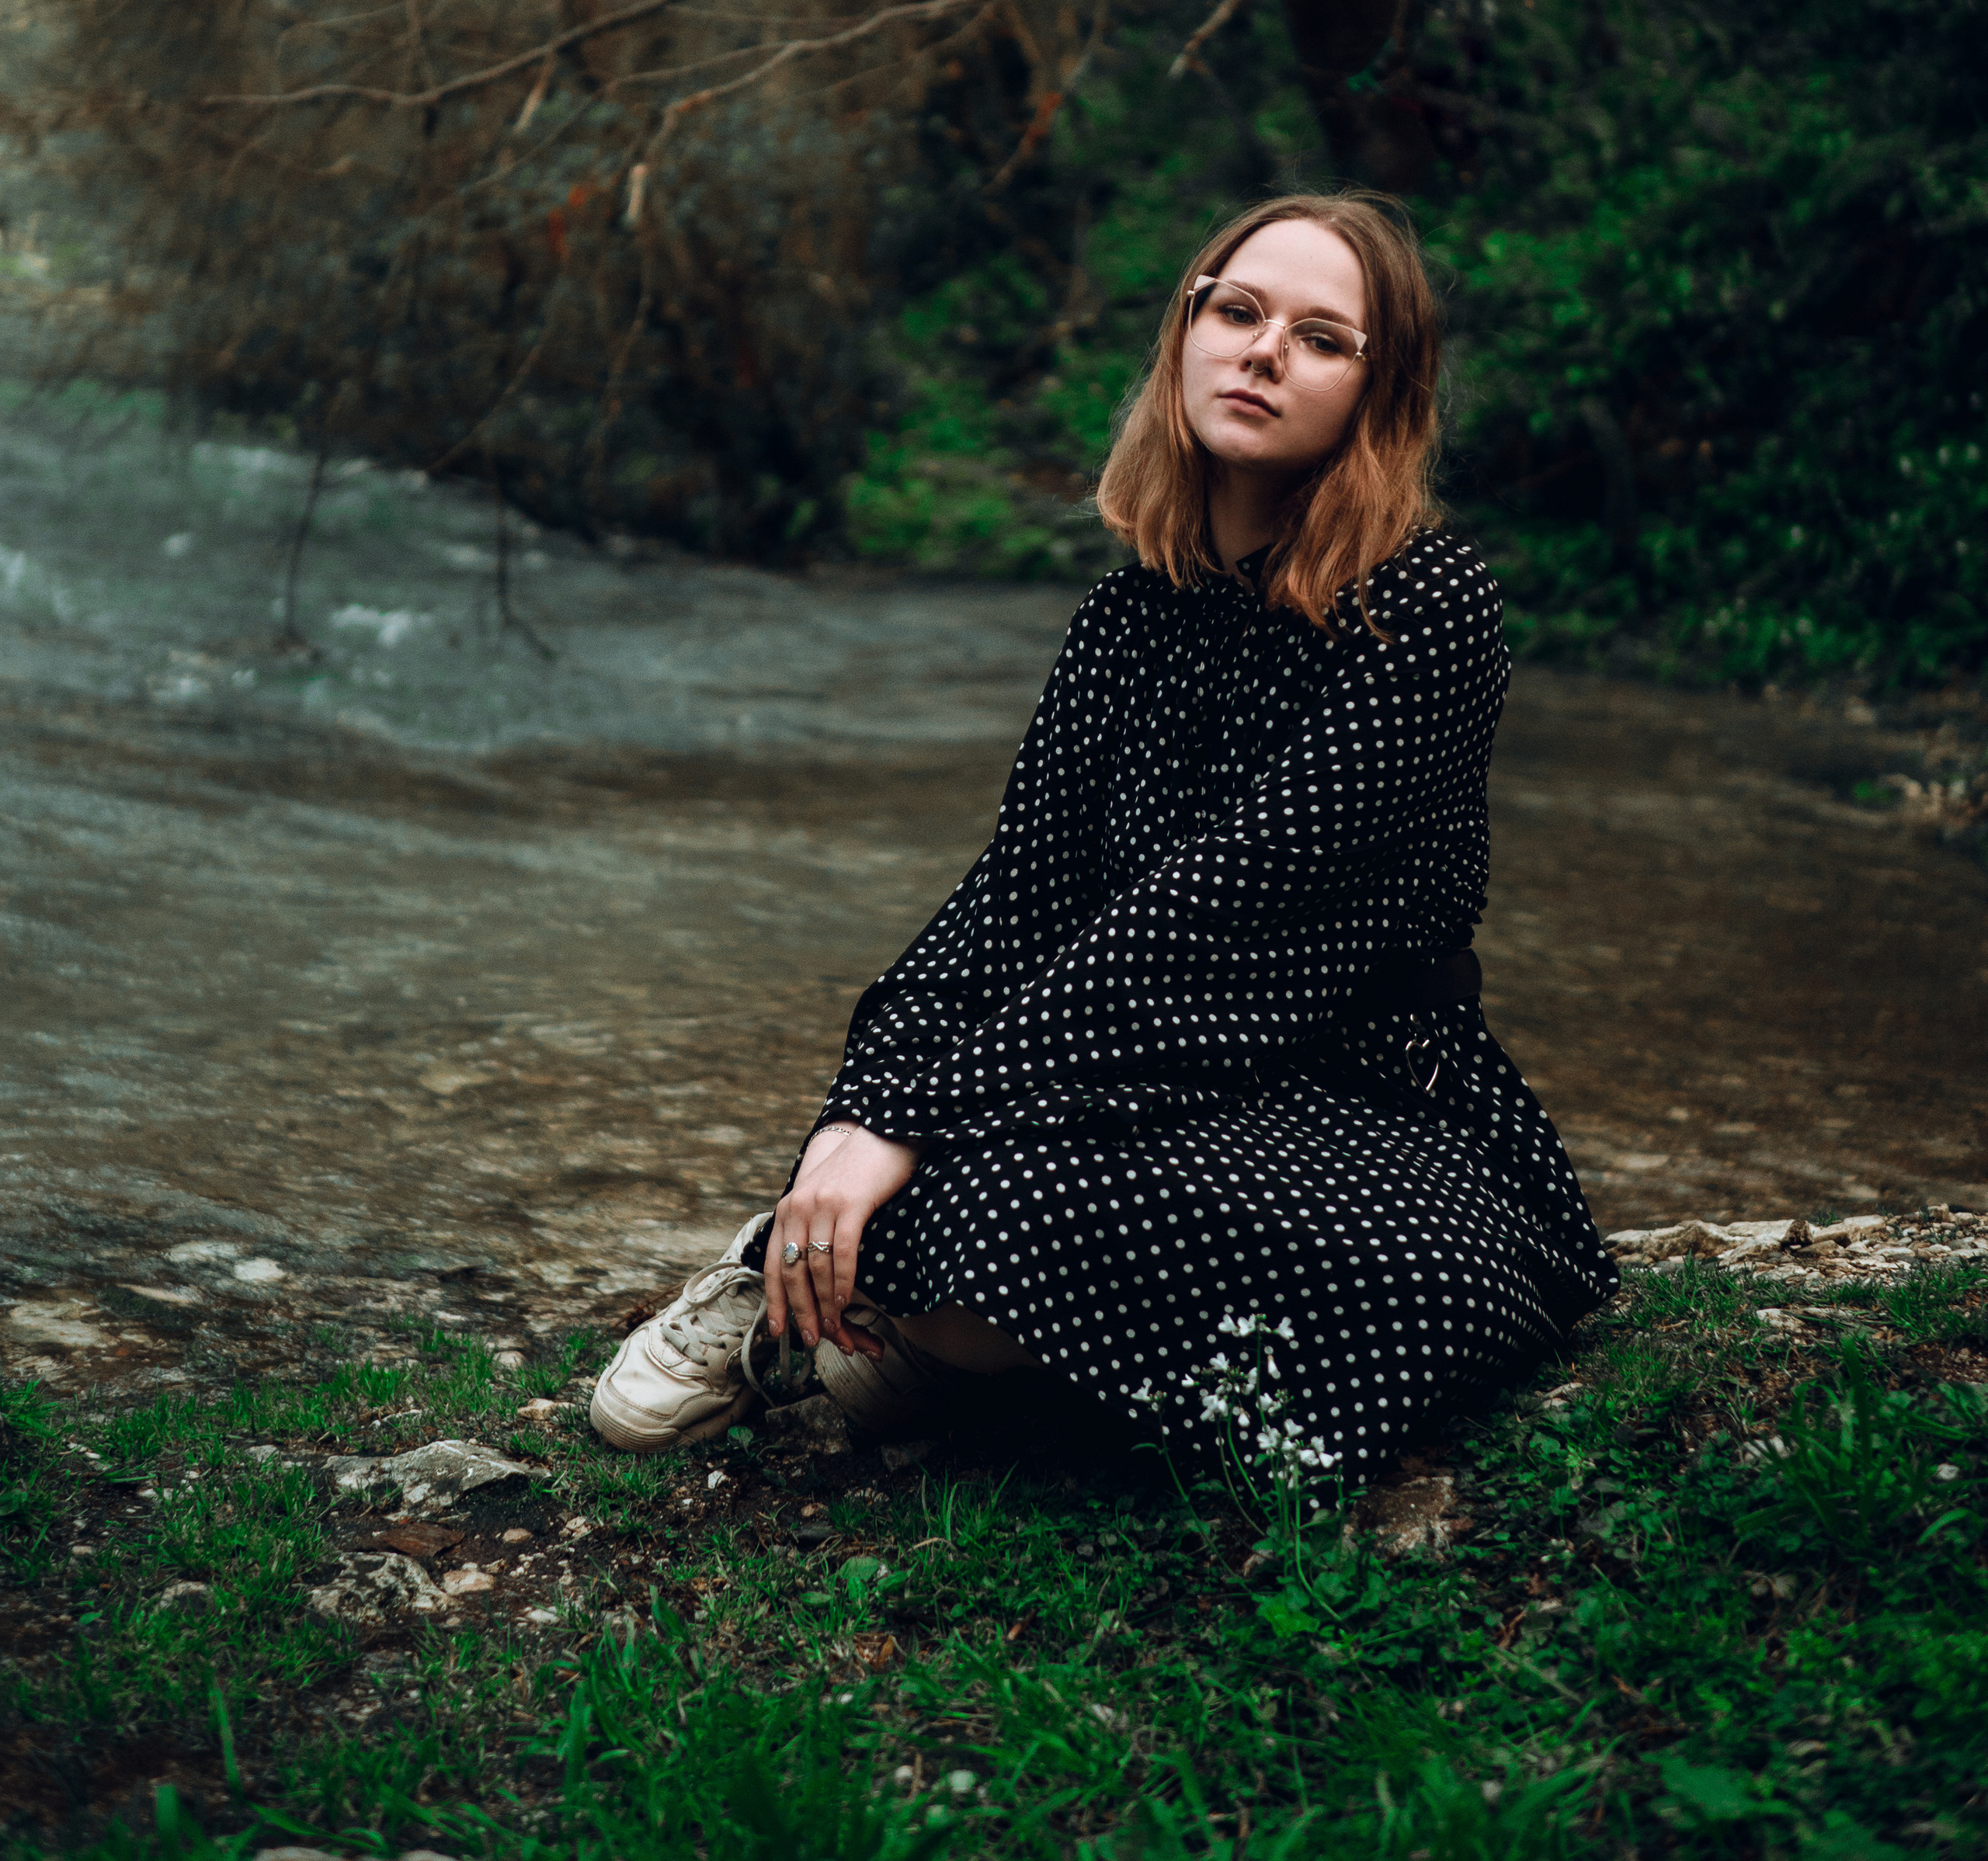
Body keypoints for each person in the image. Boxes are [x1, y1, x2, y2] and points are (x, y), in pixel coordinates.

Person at [589, 191, 1617, 1481]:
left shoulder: (1425, 606)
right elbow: (1012, 900)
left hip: (1352, 1088)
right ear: (1185, 331)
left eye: (1321, 336)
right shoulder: (1124, 624)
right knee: (948, 1200)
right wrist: (849, 1123)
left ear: (1378, 391)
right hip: (1130, 1060)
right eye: (1236, 311)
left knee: (1015, 1225)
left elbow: (1213, 907)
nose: (1262, 351)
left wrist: (917, 1115)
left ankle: (893, 1316)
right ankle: (816, 1277)